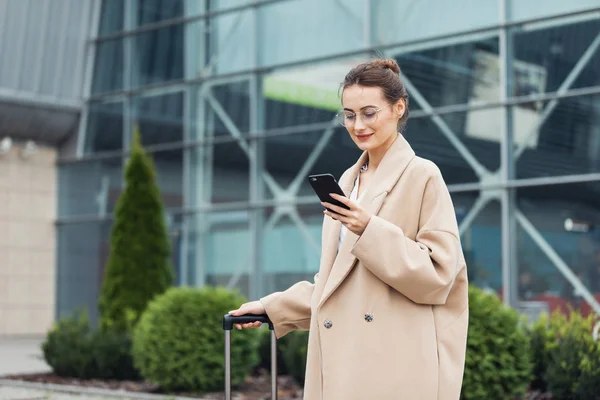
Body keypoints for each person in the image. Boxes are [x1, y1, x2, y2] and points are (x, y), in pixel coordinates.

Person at [228, 58, 469, 400]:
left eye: (369, 113)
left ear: (398, 108)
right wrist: (273, 308)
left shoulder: (423, 175)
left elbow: (439, 275)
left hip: (395, 364)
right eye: (349, 114)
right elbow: (337, 283)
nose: (358, 125)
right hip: (345, 360)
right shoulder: (347, 180)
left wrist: (369, 229)